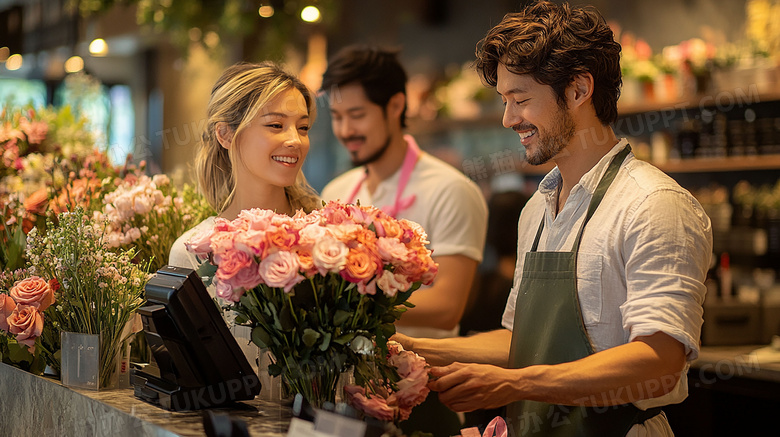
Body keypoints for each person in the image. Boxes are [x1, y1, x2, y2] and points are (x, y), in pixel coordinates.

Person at [396, 2, 713, 436]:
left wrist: (515, 384)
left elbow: (659, 361)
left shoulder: (653, 204)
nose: (510, 119)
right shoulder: (537, 209)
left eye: (521, 99)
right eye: (505, 101)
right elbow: (521, 341)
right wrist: (417, 349)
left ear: (579, 89)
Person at [320, 45, 488, 436]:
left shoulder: (451, 189)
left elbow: (448, 306)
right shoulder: (338, 190)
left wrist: (344, 308)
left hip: (422, 393)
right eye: (337, 117)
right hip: (344, 390)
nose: (345, 131)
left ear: (396, 105)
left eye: (357, 115)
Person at [169, 62, 320, 271]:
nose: (295, 140)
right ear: (225, 134)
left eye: (303, 128)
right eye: (276, 125)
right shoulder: (193, 252)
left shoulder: (328, 232)